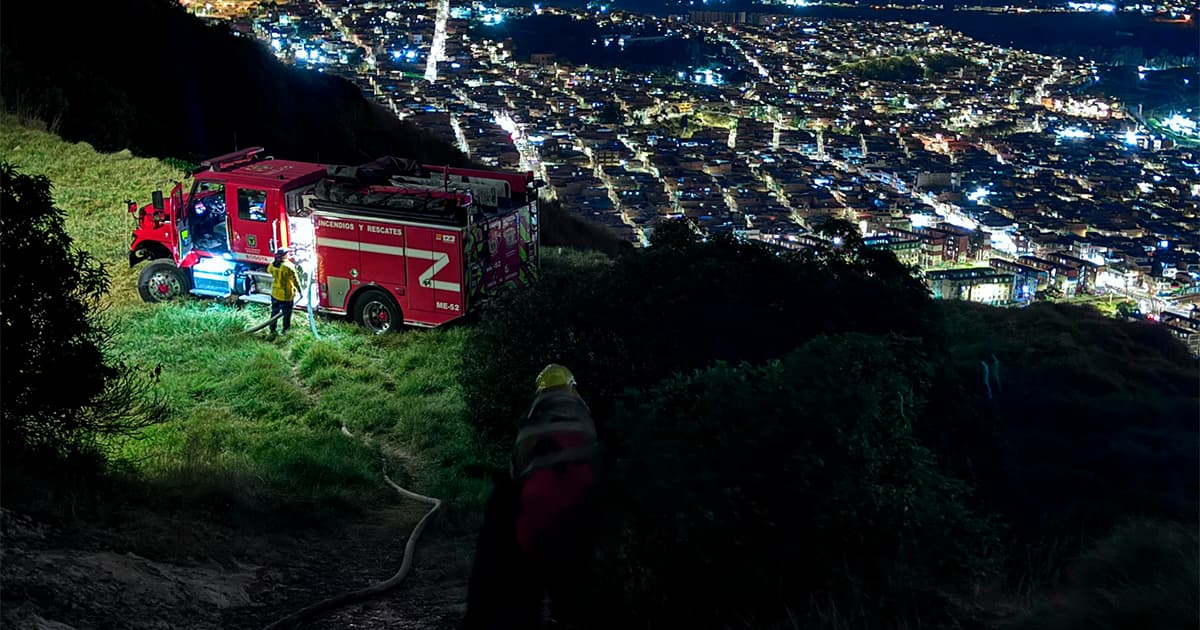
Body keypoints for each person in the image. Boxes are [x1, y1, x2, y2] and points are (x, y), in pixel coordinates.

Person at [463, 364, 599, 630]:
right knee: (571, 600)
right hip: (580, 524)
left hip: (531, 526)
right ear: (572, 388)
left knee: (523, 594)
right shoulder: (585, 417)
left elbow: (517, 472)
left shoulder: (531, 420)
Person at [268, 247, 302, 336]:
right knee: (286, 314)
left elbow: (269, 271)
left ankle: (272, 329)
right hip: (286, 295)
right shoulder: (288, 266)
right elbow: (295, 280)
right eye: (288, 253)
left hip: (275, 293)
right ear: (285, 256)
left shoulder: (272, 264)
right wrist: (300, 291)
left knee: (274, 312)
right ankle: (285, 330)